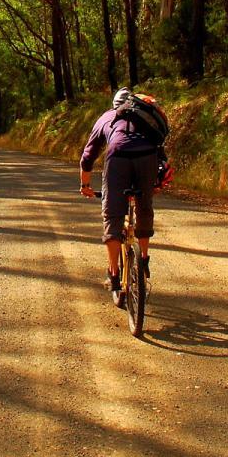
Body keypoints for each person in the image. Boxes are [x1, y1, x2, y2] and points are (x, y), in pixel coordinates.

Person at [79, 87, 160, 298]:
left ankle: (114, 274)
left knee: (113, 215)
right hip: (148, 157)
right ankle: (143, 261)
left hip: (118, 157)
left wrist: (85, 184)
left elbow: (89, 155)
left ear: (115, 105)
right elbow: (159, 146)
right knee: (144, 208)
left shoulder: (107, 117)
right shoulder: (145, 118)